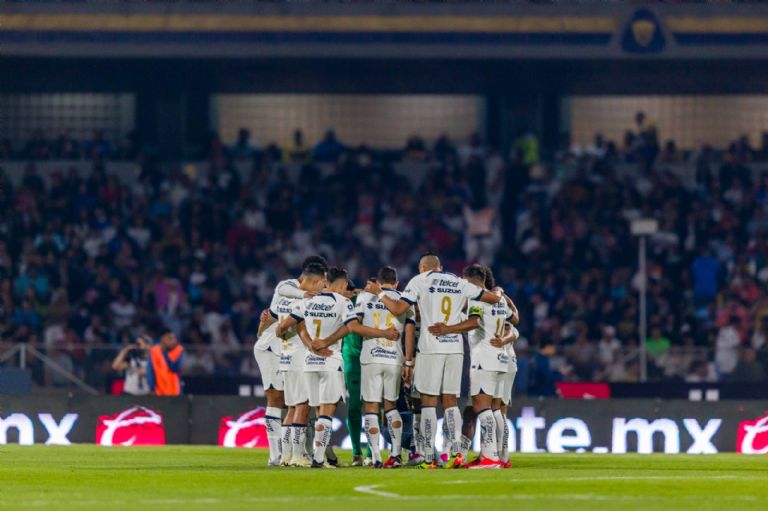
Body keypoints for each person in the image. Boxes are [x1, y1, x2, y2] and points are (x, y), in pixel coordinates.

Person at [365, 253, 502, 469]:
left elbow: (399, 309)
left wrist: (379, 292)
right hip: (456, 348)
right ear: (440, 267)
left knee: (429, 400)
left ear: (422, 267)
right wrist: (498, 291)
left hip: (431, 347)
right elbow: (493, 299)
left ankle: (428, 457)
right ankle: (458, 453)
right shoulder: (458, 281)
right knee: (450, 401)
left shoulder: (420, 280)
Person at [429, 265, 515, 469]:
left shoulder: (478, 298)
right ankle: (500, 457)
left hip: (484, 358)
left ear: (469, 280)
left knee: (480, 406)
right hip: (500, 358)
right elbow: (515, 318)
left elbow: (474, 322)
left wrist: (447, 329)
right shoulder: (500, 299)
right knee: (495, 409)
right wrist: (503, 292)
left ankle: (489, 457)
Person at [253, 255, 328, 467]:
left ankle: (291, 453)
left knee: (293, 403)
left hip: (286, 351)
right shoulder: (287, 287)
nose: (324, 283)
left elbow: (269, 317)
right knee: (277, 400)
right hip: (271, 349)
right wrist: (306, 294)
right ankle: (275, 456)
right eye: (323, 279)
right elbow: (285, 296)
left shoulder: (314, 296)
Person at [280, 267, 355, 468]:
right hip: (330, 361)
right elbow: (351, 327)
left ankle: (301, 456)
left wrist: (309, 343)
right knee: (326, 412)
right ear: (343, 284)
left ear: (324, 282)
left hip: (309, 363)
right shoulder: (343, 302)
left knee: (315, 410)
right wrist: (325, 342)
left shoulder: (307, 301)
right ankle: (319, 459)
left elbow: (283, 327)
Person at [347, 265, 415, 468]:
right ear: (396, 283)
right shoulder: (404, 300)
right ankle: (394, 454)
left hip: (371, 357)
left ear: (378, 281)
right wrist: (408, 362)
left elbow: (354, 327)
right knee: (391, 406)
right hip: (394, 358)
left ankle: (375, 456)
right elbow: (410, 333)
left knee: (370, 407)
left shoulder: (364, 298)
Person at [146, 327, 184, 396]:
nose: (173, 341)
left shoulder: (178, 350)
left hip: (175, 392)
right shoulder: (154, 351)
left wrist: (165, 354)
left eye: (174, 338)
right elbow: (150, 371)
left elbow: (175, 368)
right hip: (159, 392)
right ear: (162, 339)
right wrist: (152, 388)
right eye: (170, 339)